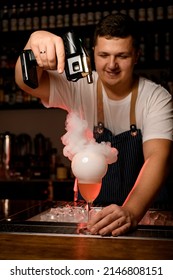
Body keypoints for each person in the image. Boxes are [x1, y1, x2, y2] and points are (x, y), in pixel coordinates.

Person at [15, 13, 173, 236]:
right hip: (92, 217)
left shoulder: (155, 97)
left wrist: (131, 211)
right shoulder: (79, 86)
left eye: (122, 56)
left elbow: (159, 157)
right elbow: (26, 83)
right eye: (104, 55)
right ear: (93, 54)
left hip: (146, 216)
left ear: (136, 56)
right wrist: (33, 44)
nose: (111, 65)